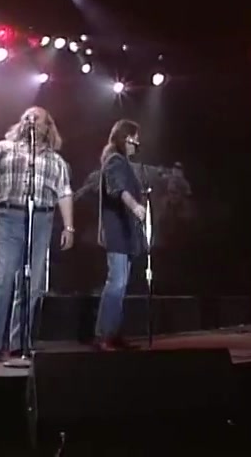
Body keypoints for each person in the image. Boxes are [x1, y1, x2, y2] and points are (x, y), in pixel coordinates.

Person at [0, 106, 75, 361]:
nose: (30, 120)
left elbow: (64, 192)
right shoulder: (2, 148)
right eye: (26, 117)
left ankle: (20, 342)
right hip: (7, 216)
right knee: (0, 279)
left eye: (36, 118)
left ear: (47, 127)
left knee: (32, 283)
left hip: (41, 219)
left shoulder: (56, 161)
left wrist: (69, 227)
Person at [96, 119, 145, 351]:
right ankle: (105, 334)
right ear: (126, 138)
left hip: (125, 234)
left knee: (121, 284)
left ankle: (113, 333)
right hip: (117, 232)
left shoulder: (122, 162)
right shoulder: (115, 161)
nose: (138, 143)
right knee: (116, 283)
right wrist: (135, 207)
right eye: (135, 138)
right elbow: (118, 189)